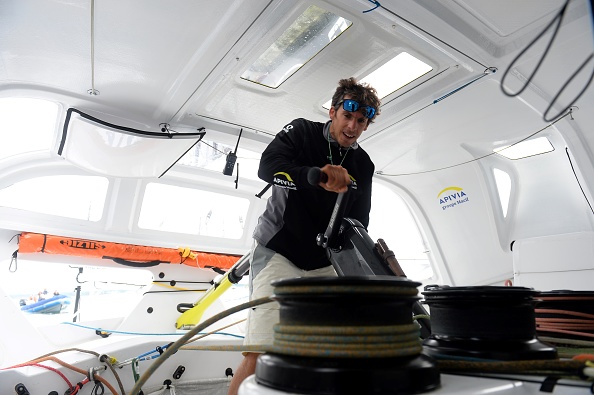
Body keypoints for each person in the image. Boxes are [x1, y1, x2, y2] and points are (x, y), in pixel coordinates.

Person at [227, 77, 381, 395]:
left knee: (319, 352)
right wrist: (316, 176)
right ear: (332, 111)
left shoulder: (363, 164)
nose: (352, 126)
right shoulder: (302, 132)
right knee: (262, 351)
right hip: (279, 251)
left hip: (323, 261)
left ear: (366, 125)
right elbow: (268, 166)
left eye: (361, 121)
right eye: (347, 116)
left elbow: (359, 220)